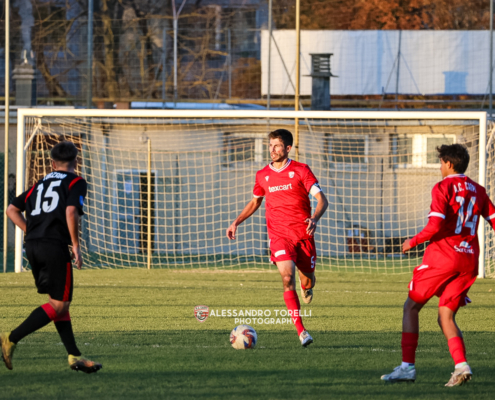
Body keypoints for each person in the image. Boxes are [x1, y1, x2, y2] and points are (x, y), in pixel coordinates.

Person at [381, 144, 495, 386]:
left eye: (441, 162)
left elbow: (434, 226)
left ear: (449, 164)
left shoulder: (443, 187)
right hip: (468, 261)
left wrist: (411, 242)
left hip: (444, 258)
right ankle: (461, 366)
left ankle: (407, 368)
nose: (440, 167)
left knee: (411, 307)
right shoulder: (479, 190)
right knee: (445, 315)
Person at [1, 141, 102, 374]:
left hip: (33, 246)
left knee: (58, 302)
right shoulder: (76, 182)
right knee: (59, 304)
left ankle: (74, 355)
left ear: (52, 164)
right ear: (76, 161)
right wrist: (76, 245)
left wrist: (32, 231)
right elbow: (70, 211)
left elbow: (11, 210)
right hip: (54, 246)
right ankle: (10, 338)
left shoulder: (39, 184)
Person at [226, 129, 328, 347]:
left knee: (307, 280)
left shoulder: (301, 170)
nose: (272, 150)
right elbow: (255, 201)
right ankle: (302, 332)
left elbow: (322, 200)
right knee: (286, 278)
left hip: (303, 236)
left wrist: (314, 218)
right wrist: (236, 222)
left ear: (288, 148)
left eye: (277, 146)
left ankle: (307, 286)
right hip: (279, 236)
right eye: (270, 145)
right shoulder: (262, 175)